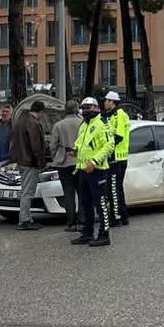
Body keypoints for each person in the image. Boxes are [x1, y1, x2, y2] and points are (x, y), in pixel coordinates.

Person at [71, 97, 114, 246]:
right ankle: (87, 233)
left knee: (100, 204)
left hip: (98, 171)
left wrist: (94, 161)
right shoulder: (84, 124)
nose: (85, 110)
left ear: (96, 108)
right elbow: (81, 142)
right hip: (83, 170)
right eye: (83, 108)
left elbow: (109, 145)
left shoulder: (102, 123)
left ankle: (104, 235)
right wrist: (75, 149)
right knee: (85, 203)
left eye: (88, 107)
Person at [9, 100, 48, 230]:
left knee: (25, 190)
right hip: (30, 162)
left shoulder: (21, 121)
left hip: (21, 160)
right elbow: (36, 146)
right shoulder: (33, 123)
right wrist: (40, 163)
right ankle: (24, 220)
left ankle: (27, 218)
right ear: (41, 111)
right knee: (28, 192)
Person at [49, 104, 82, 234]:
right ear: (76, 109)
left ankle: (71, 223)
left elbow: (53, 145)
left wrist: (56, 157)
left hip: (64, 163)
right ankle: (83, 221)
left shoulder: (58, 125)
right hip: (80, 162)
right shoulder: (82, 123)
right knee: (82, 193)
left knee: (68, 193)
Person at [101, 90, 132, 227]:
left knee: (113, 189)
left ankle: (117, 217)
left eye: (106, 100)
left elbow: (118, 136)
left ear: (111, 102)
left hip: (117, 158)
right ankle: (122, 216)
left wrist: (105, 147)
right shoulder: (112, 115)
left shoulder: (119, 115)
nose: (104, 103)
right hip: (116, 157)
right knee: (116, 188)